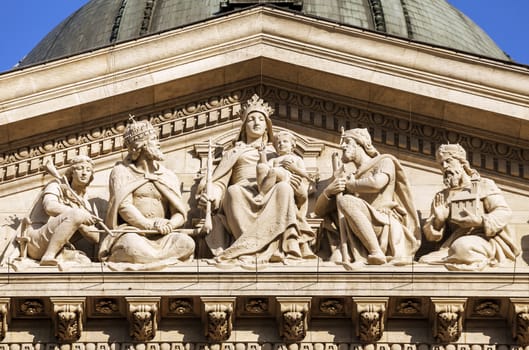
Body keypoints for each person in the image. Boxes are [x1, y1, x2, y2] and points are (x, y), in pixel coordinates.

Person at [198, 94, 316, 266]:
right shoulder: (234, 152)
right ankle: (248, 247)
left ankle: (278, 244)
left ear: (267, 126)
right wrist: (212, 195)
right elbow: (219, 182)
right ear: (244, 126)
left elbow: (300, 185)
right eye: (251, 119)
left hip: (269, 193)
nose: (256, 122)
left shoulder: (277, 153)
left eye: (261, 119)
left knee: (283, 188)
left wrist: (296, 183)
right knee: (233, 191)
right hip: (242, 192)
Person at [314, 128, 420, 268]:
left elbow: (377, 183)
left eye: (347, 142)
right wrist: (329, 191)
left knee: (346, 201)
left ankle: (376, 252)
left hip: (381, 223)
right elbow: (318, 211)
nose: (342, 146)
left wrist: (351, 185)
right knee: (333, 262)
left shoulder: (383, 161)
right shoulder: (349, 177)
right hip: (356, 235)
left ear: (360, 143)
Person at [98, 119, 195, 268]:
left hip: (163, 235)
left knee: (187, 243)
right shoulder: (122, 171)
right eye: (153, 140)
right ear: (140, 146)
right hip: (135, 232)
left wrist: (169, 224)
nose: (158, 143)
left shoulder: (168, 176)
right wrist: (149, 225)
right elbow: (123, 206)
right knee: (131, 246)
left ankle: (146, 260)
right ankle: (148, 259)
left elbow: (180, 213)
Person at [419, 144, 520, 270]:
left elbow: (504, 212)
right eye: (441, 164)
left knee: (462, 246)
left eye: (448, 161)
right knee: (425, 260)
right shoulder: (441, 196)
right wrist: (438, 221)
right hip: (451, 244)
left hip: (484, 239)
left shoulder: (483, 185)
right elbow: (431, 237)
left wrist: (481, 221)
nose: (444, 167)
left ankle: (476, 259)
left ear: (462, 163)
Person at [22, 155, 99, 266]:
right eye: (79, 168)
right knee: (76, 214)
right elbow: (50, 206)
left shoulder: (85, 203)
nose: (84, 173)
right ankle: (48, 256)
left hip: (62, 247)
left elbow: (95, 238)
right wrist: (78, 215)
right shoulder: (56, 185)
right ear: (71, 172)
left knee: (84, 262)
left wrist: (81, 224)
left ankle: (53, 254)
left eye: (88, 170)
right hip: (36, 240)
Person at [256, 130, 312, 201]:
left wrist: (294, 168)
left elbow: (306, 175)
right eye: (279, 143)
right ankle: (263, 190)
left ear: (292, 145)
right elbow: (265, 170)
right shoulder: (274, 160)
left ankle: (262, 194)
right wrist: (262, 154)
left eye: (285, 141)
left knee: (273, 171)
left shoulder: (296, 158)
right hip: (277, 177)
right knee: (261, 167)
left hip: (289, 177)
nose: (281, 144)